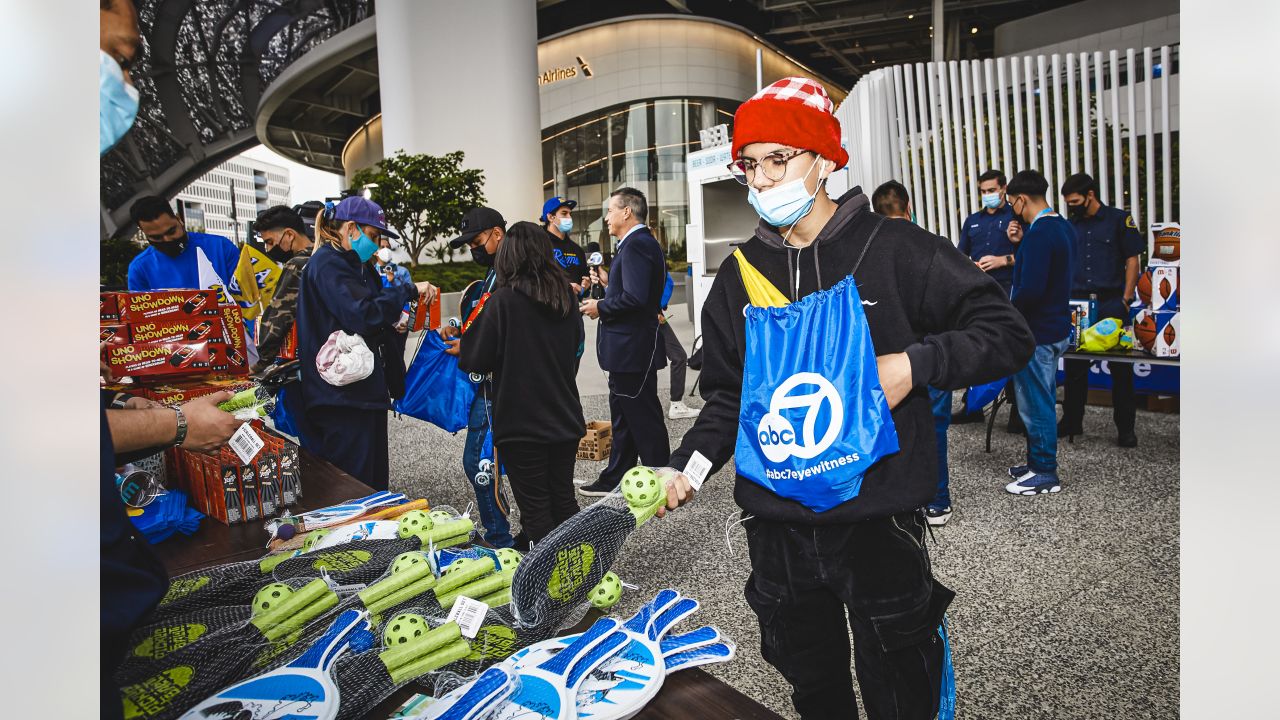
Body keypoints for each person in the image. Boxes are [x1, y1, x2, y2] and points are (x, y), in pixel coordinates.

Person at [656, 77, 1034, 719]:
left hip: (877, 521)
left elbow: (1006, 333)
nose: (763, 179)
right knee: (815, 688)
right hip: (776, 529)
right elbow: (725, 397)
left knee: (900, 688)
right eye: (751, 164)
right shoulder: (738, 279)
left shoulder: (898, 251)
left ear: (826, 161)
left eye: (780, 158)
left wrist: (915, 364)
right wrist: (686, 467)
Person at [100, 3, 241, 718]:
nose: (127, 81)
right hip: (170, 404)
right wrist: (167, 420)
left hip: (210, 392)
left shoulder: (217, 249)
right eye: (123, 59)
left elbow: (243, 307)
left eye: (171, 231)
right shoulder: (140, 269)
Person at [295, 196, 437, 490]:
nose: (376, 245)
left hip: (362, 393)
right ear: (350, 229)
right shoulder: (328, 264)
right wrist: (406, 290)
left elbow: (371, 312)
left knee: (372, 486)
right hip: (342, 397)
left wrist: (394, 319)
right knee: (354, 489)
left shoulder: (357, 266)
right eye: (373, 236)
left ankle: (374, 536)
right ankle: (358, 538)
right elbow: (362, 314)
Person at [459, 222, 586, 543]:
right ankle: (582, 566)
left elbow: (474, 358)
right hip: (565, 417)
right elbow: (576, 351)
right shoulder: (566, 301)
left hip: (521, 423)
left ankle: (546, 584)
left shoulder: (502, 301)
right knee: (563, 500)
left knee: (536, 509)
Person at [871, 180, 955, 527]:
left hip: (886, 358)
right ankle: (937, 500)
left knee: (887, 428)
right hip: (929, 355)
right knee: (933, 428)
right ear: (909, 208)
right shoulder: (934, 247)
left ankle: (897, 499)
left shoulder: (870, 252)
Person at [577, 187, 670, 497]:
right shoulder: (638, 244)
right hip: (629, 349)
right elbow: (634, 292)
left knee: (642, 415)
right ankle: (616, 475)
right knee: (626, 417)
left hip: (632, 349)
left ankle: (661, 476)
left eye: (610, 210)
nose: (606, 217)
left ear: (627, 212)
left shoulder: (636, 246)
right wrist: (607, 282)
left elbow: (635, 298)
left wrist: (599, 306)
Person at [440, 207, 518, 548]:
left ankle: (499, 537)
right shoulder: (494, 272)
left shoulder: (510, 275)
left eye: (477, 240)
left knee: (479, 461)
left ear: (498, 234)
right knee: (498, 460)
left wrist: (471, 348)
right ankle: (515, 531)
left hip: (496, 385)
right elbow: (483, 321)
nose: (473, 248)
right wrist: (460, 331)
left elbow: (504, 332)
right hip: (486, 384)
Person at [1058, 172, 1144, 447]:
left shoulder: (1119, 220)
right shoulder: (1071, 226)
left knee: (1121, 369)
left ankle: (1125, 429)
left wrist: (1126, 299)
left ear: (1090, 195)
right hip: (1079, 304)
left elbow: (1133, 259)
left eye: (1075, 201)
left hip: (1111, 302)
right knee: (1074, 368)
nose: (1071, 206)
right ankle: (1072, 421)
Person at [1005, 169, 1075, 495]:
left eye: (1011, 203)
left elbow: (1030, 290)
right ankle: (1036, 461)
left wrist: (1006, 313)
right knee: (1041, 396)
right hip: (1057, 326)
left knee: (1036, 403)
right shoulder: (1062, 227)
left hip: (1038, 332)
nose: (1011, 210)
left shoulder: (1038, 235)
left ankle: (1045, 471)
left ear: (1021, 200)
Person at [955, 170, 1024, 431]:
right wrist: (970, 265)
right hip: (979, 293)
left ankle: (1018, 412)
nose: (988, 196)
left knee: (1012, 347)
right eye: (984, 191)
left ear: (1003, 189)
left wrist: (1002, 260)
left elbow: (1028, 255)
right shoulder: (973, 221)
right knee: (976, 346)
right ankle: (972, 406)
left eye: (992, 190)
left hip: (1010, 291)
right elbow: (960, 255)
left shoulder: (1016, 218)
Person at [125, 195, 240, 299]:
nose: (167, 240)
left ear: (179, 219)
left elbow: (246, 298)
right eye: (157, 237)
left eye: (171, 231)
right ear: (144, 233)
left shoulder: (221, 248)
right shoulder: (140, 268)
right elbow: (140, 315)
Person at [658, 271, 699, 420]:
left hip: (646, 314)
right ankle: (676, 404)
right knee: (679, 356)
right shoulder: (649, 251)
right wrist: (658, 306)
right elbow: (667, 280)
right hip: (651, 314)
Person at [541, 196, 588, 291]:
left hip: (574, 304)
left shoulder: (577, 250)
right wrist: (564, 288)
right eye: (564, 213)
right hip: (547, 305)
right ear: (550, 217)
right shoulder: (539, 245)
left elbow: (584, 285)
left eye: (570, 214)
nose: (569, 217)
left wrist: (585, 287)